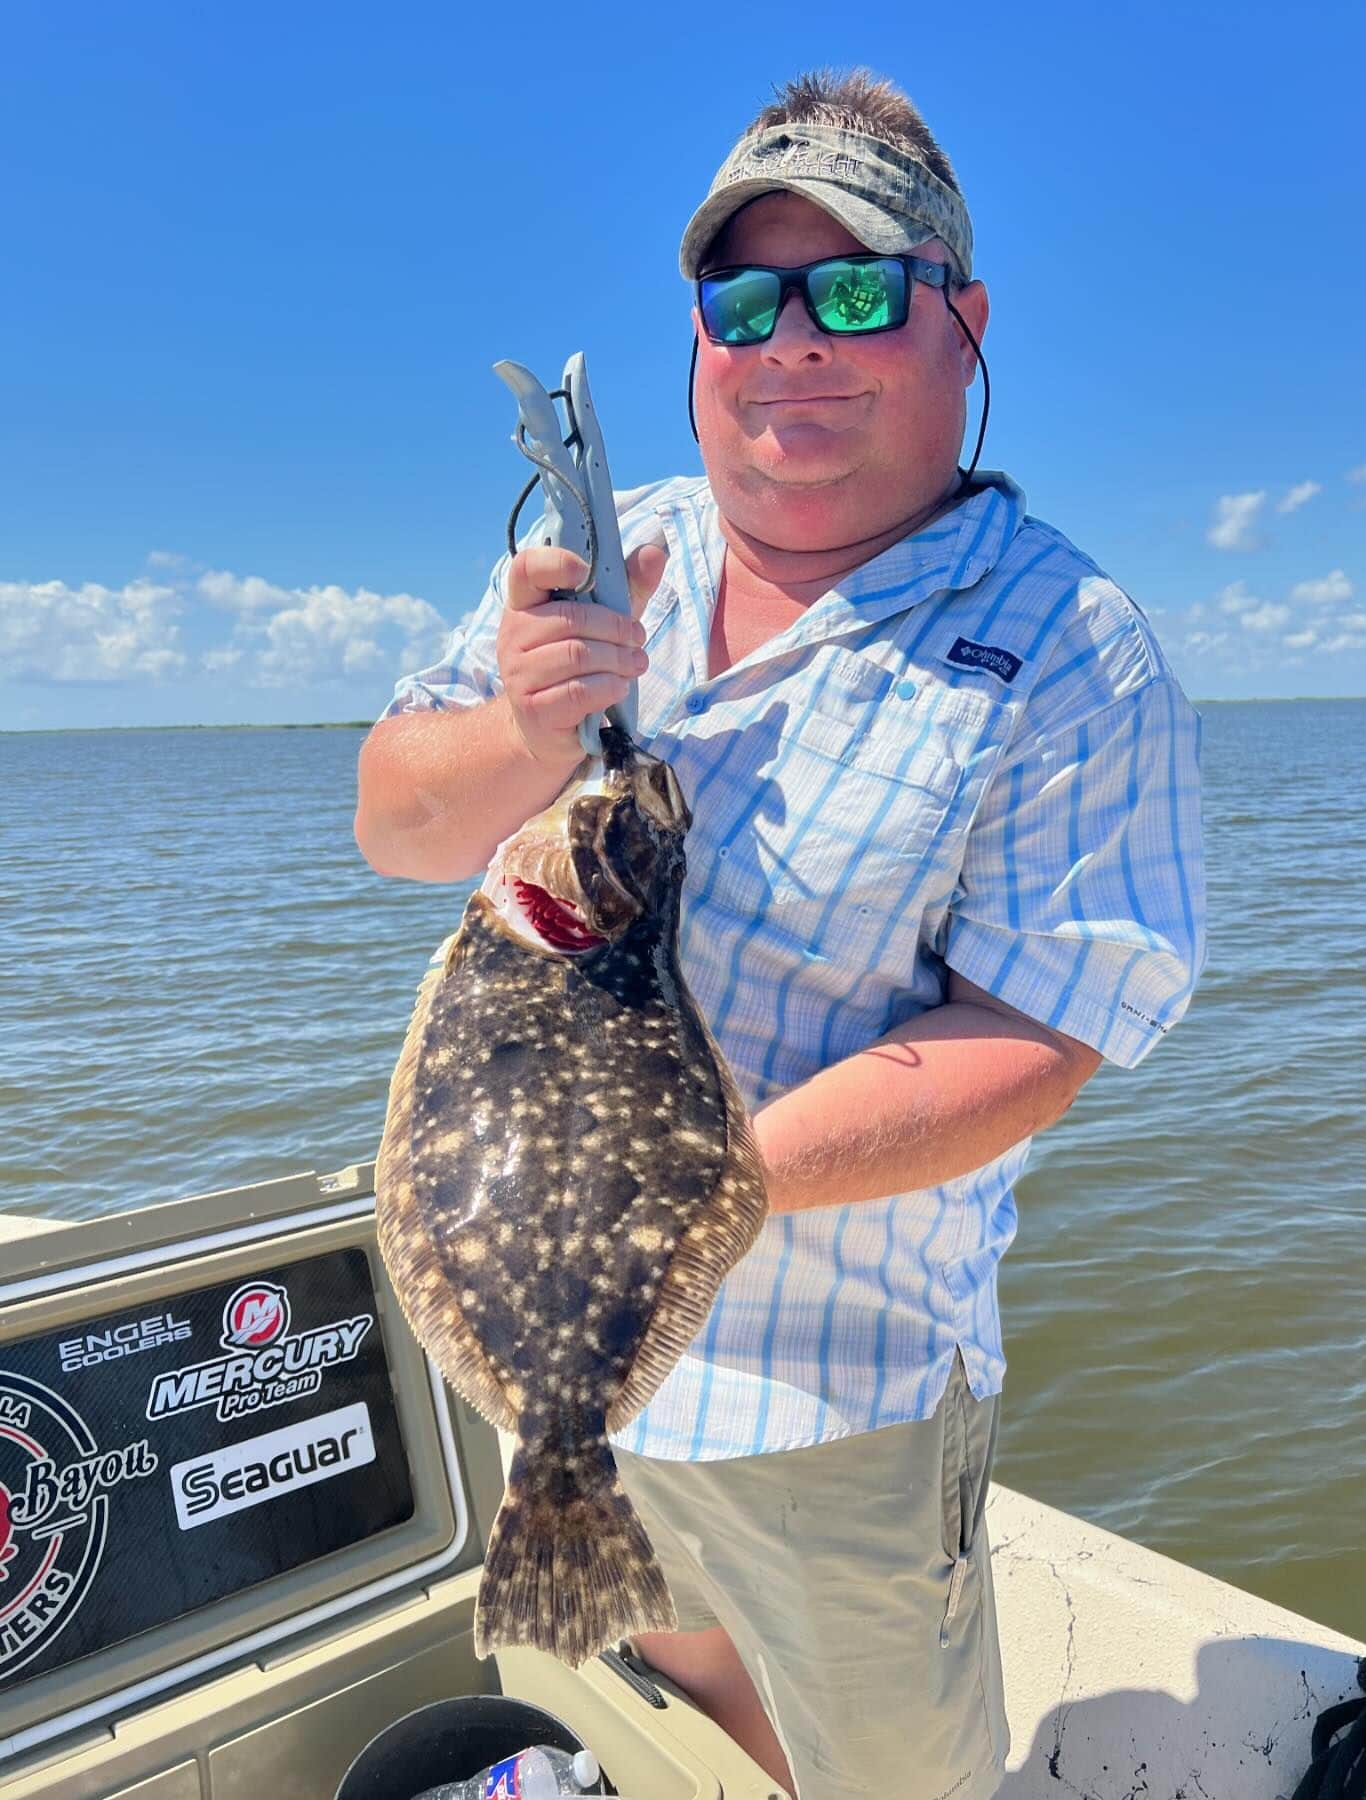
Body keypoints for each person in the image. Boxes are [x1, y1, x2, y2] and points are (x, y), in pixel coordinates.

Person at [355, 67, 1206, 1800]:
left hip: (839, 1399)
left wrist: (692, 1186)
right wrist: (528, 728)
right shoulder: (614, 559)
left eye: (858, 290)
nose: (795, 338)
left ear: (962, 324)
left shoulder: (1069, 648)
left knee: (887, 1767)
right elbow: (398, 825)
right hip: (557, 1365)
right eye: (745, 299)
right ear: (698, 341)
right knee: (658, 1685)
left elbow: (1041, 1031)